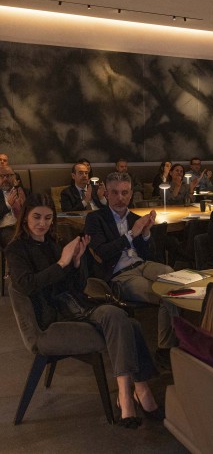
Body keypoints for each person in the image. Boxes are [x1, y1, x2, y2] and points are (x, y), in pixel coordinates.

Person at [6, 193, 162, 428]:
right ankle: (132, 393)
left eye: (48, 218)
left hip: (77, 306)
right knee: (121, 318)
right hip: (53, 318)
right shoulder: (16, 249)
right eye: (36, 217)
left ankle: (135, 391)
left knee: (128, 322)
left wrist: (77, 262)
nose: (42, 223)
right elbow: (27, 285)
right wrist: (62, 263)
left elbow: (77, 287)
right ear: (25, 217)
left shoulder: (54, 242)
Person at [84, 172, 176, 368]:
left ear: (131, 193)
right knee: (166, 294)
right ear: (106, 194)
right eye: (115, 193)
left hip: (143, 265)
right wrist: (131, 234)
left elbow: (150, 254)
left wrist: (146, 234)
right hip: (120, 274)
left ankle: (183, 342)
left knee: (173, 277)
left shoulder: (135, 218)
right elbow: (102, 252)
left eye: (125, 193)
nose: (120, 198)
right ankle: (165, 350)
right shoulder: (95, 218)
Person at [0, 164, 26, 248]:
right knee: (16, 244)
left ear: (14, 177)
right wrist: (8, 205)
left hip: (25, 225)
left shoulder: (24, 192)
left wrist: (25, 205)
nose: (5, 179)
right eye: (1, 176)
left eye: (8, 176)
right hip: (6, 228)